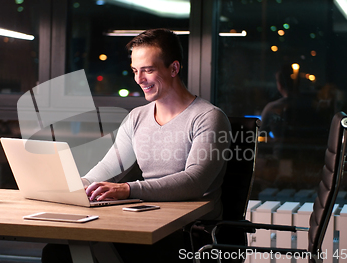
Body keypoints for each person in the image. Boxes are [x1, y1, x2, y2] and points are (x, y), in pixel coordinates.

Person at [42, 28, 231, 262]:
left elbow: (195, 181)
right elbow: (110, 167)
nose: (139, 79)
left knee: (87, 251)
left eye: (148, 70)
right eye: (135, 70)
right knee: (58, 251)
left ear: (174, 68)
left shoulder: (208, 117)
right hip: (150, 219)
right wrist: (77, 186)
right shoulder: (137, 117)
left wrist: (128, 189)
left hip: (191, 232)